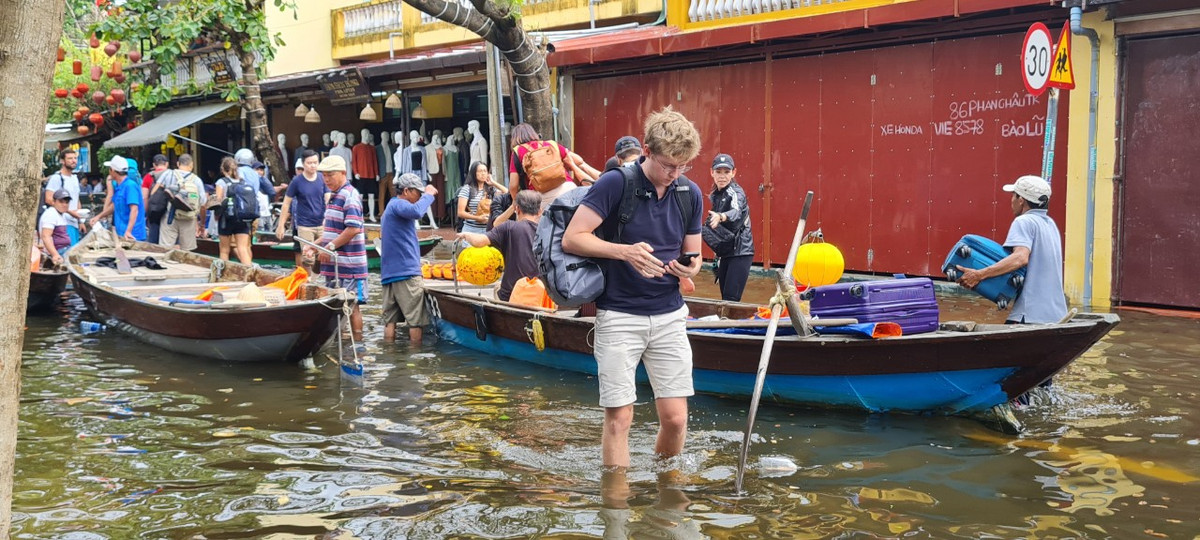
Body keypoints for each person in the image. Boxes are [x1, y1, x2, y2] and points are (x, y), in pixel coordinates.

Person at [562, 106, 704, 470]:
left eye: (682, 166)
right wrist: (624, 252)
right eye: (668, 165)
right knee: (619, 419)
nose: (675, 174)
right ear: (647, 150)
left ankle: (665, 493)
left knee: (675, 418)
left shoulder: (689, 192)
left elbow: (695, 255)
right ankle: (618, 508)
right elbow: (573, 239)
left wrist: (687, 267)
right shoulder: (616, 183)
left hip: (670, 314)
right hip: (620, 313)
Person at [956, 175, 1068, 324]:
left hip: (1030, 314)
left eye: (1013, 196)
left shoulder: (1023, 221)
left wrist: (979, 275)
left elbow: (1020, 258)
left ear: (1021, 200)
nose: (1011, 201)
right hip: (1056, 315)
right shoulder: (1050, 224)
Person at [379, 173, 438, 343]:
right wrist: (428, 194)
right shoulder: (399, 205)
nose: (419, 197)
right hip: (405, 273)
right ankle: (417, 363)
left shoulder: (392, 207)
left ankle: (391, 355)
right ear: (406, 191)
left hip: (390, 273)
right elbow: (417, 211)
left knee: (390, 322)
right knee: (415, 322)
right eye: (417, 193)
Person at [314, 155, 368, 342]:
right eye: (324, 175)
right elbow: (332, 231)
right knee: (336, 306)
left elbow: (353, 228)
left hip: (350, 265)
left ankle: (358, 345)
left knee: (352, 306)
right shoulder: (334, 196)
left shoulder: (350, 195)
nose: (326, 179)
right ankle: (341, 340)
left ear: (343, 173)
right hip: (334, 264)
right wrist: (316, 246)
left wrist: (329, 246)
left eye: (330, 175)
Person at [457, 190, 542, 302]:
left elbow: (480, 242)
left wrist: (466, 235)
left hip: (512, 294)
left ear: (517, 209)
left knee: (497, 289)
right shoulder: (546, 230)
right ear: (540, 211)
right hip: (540, 292)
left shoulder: (509, 227)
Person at [704, 153, 754, 302]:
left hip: (741, 251)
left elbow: (736, 211)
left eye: (726, 172)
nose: (722, 176)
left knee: (731, 299)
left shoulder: (736, 192)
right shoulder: (717, 195)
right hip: (726, 251)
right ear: (712, 172)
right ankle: (725, 324)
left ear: (734, 173)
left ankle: (732, 325)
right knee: (724, 299)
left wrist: (721, 216)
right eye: (718, 172)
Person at [277, 151, 329, 266]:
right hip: (304, 225)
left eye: (315, 162)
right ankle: (307, 281)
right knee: (308, 258)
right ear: (303, 164)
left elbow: (328, 199)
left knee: (323, 256)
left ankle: (319, 281)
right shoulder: (296, 181)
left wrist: (329, 217)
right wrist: (281, 225)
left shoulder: (322, 178)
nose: (313, 165)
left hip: (322, 224)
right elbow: (286, 203)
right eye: (310, 163)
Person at [153, 153, 207, 251]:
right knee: (187, 252)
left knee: (165, 249)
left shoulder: (168, 174)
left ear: (178, 164)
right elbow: (203, 204)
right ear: (191, 165)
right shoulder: (197, 180)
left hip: (170, 217)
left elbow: (154, 192)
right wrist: (202, 224)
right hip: (189, 218)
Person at [214, 156, 253, 265]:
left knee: (224, 250)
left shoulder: (221, 182)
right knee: (243, 248)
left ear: (222, 169)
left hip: (226, 219)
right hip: (242, 218)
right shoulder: (242, 182)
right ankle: (248, 274)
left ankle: (222, 275)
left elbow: (219, 200)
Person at [44, 148, 87, 245]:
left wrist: (80, 220)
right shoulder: (57, 178)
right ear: (63, 161)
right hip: (62, 223)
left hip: (74, 222)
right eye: (70, 158)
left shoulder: (75, 178)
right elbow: (48, 198)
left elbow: (77, 200)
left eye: (75, 158)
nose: (73, 161)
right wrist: (69, 211)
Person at [101, 156, 145, 241]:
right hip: (122, 233)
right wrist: (99, 216)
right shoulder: (119, 186)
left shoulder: (130, 186)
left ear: (113, 171)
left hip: (133, 235)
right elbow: (114, 205)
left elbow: (134, 209)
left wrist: (128, 231)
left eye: (109, 169)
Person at [457, 161, 504, 239]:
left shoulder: (491, 189)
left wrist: (493, 182)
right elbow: (460, 212)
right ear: (474, 173)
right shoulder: (467, 189)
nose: (483, 173)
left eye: (485, 171)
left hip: (489, 231)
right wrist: (477, 218)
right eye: (480, 171)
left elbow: (508, 193)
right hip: (471, 231)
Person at [38, 189, 73, 266]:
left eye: (67, 202)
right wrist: (55, 255)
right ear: (53, 202)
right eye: (61, 202)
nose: (64, 205)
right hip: (58, 252)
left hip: (64, 250)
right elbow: (46, 236)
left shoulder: (60, 214)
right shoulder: (51, 214)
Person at [142, 154, 170, 244]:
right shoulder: (173, 175)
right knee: (169, 241)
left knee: (153, 240)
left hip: (154, 211)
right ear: (167, 164)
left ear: (154, 165)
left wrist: (146, 214)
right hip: (170, 212)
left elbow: (145, 197)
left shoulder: (148, 177)